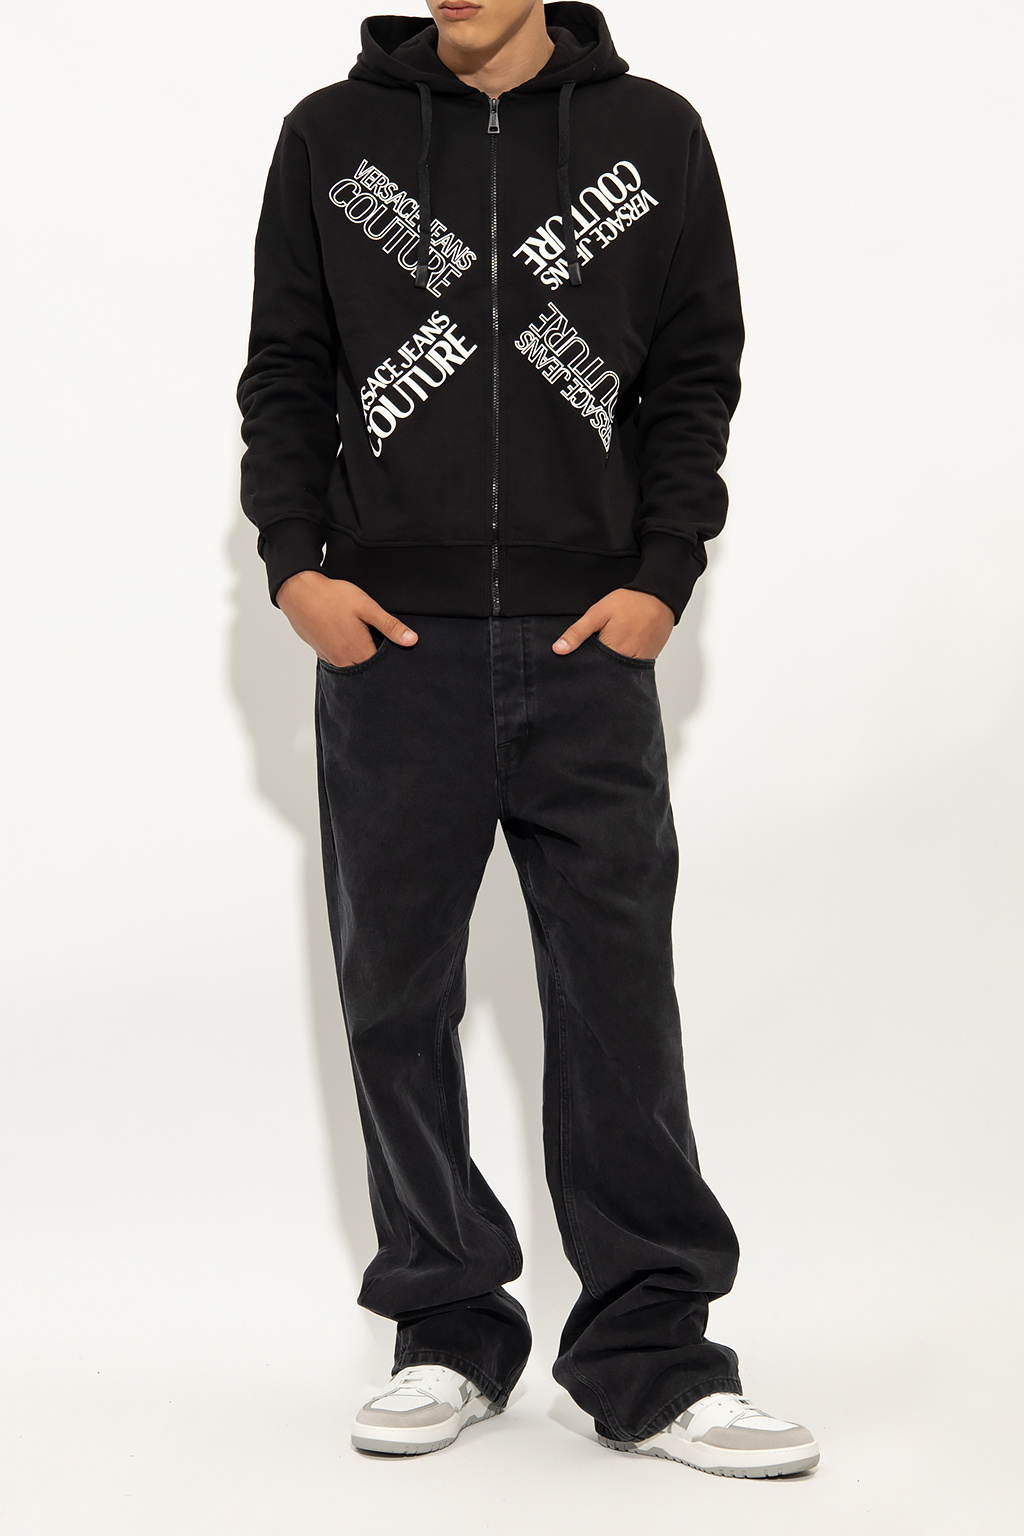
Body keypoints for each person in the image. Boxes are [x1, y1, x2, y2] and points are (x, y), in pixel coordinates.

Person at [236, 0, 819, 1478]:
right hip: (393, 647)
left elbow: (695, 368)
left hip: (587, 648)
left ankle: (651, 1358)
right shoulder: (331, 138)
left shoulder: (652, 135)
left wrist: (662, 574)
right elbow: (287, 367)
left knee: (619, 1001)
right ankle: (445, 1328)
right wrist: (297, 569)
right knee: (396, 999)